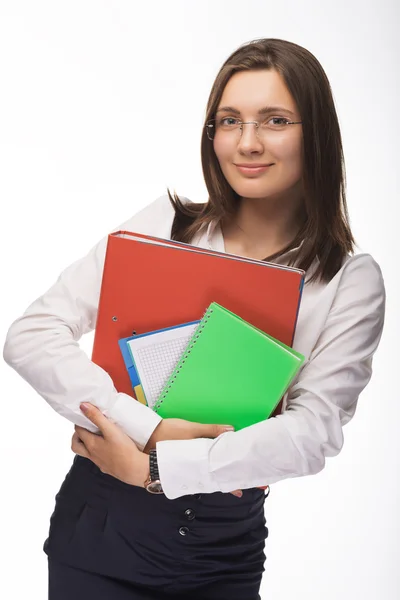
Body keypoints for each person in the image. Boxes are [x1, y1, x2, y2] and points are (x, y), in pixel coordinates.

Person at [3, 37, 385, 600]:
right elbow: (32, 335)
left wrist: (154, 467)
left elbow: (311, 433)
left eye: (275, 120)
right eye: (229, 121)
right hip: (101, 535)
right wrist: (144, 427)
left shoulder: (349, 280)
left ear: (317, 135)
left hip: (220, 552)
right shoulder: (168, 224)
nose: (247, 142)